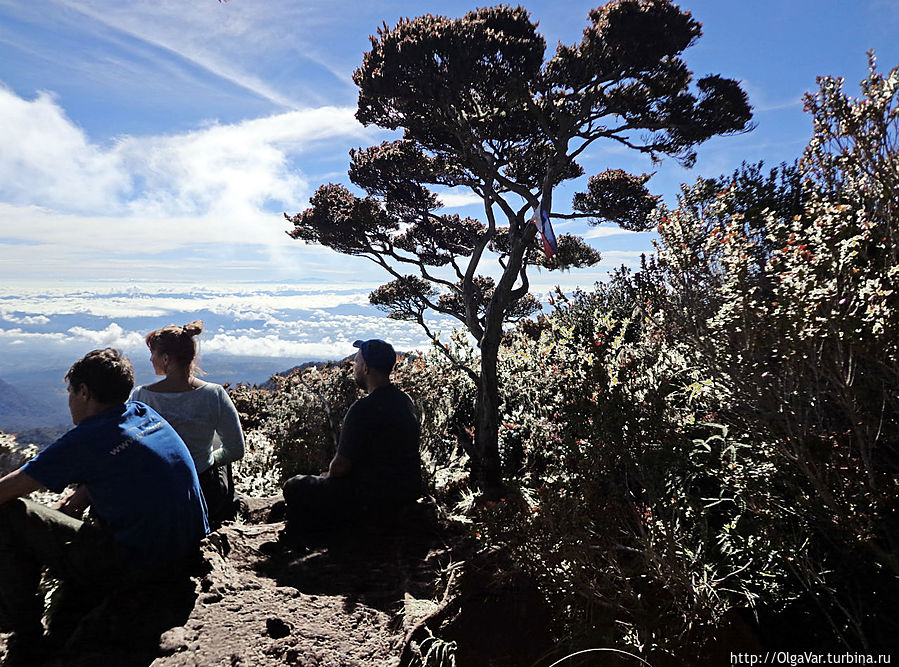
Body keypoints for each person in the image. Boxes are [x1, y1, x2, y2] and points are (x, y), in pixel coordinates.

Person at [0, 348, 208, 665]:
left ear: (84, 392)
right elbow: (129, 463)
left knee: (13, 512)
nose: (69, 400)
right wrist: (84, 492)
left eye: (70, 392)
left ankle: (26, 638)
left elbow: (7, 490)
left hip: (140, 568)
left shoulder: (86, 439)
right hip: (190, 553)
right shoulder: (142, 414)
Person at [282, 339, 422, 535]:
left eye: (356, 362)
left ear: (366, 368)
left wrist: (326, 477)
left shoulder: (362, 409)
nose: (354, 367)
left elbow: (340, 467)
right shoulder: (405, 401)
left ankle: (304, 538)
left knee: (295, 485)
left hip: (370, 497)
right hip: (406, 490)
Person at [131, 321, 245, 527]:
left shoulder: (141, 397)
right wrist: (206, 458)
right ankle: (223, 514)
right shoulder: (214, 394)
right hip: (203, 489)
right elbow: (237, 449)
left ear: (166, 359)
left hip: (158, 490)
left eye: (153, 354)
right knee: (218, 448)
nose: (150, 359)